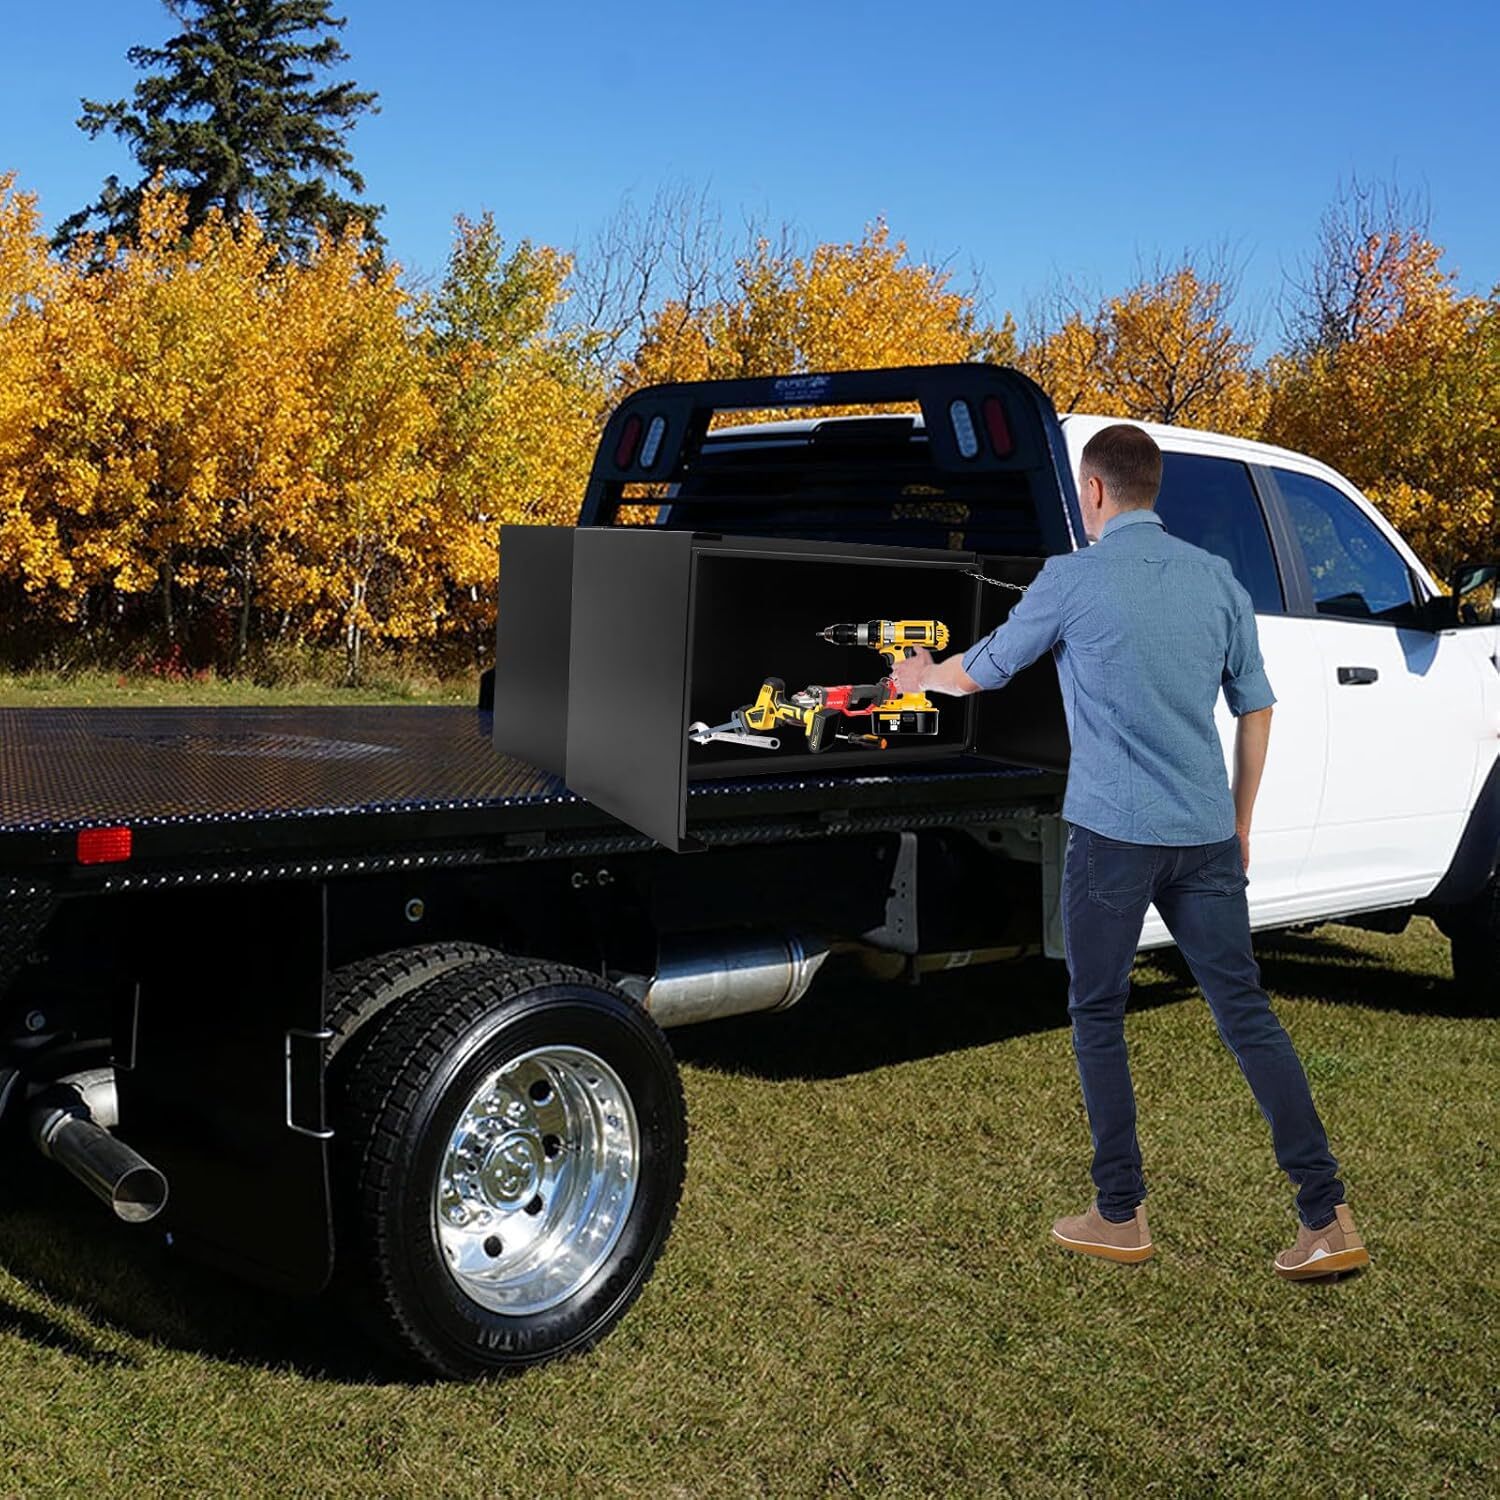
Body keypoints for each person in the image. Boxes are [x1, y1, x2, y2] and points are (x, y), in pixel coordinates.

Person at [889, 423, 1369, 1281]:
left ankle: (1120, 1215)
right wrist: (1241, 819)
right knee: (1246, 1014)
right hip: (1207, 838)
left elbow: (986, 669)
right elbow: (1258, 709)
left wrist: (918, 674)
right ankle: (1326, 1214)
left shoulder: (1072, 579)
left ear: (1098, 493)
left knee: (1098, 1015)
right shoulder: (1218, 582)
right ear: (1154, 490)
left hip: (1112, 839)